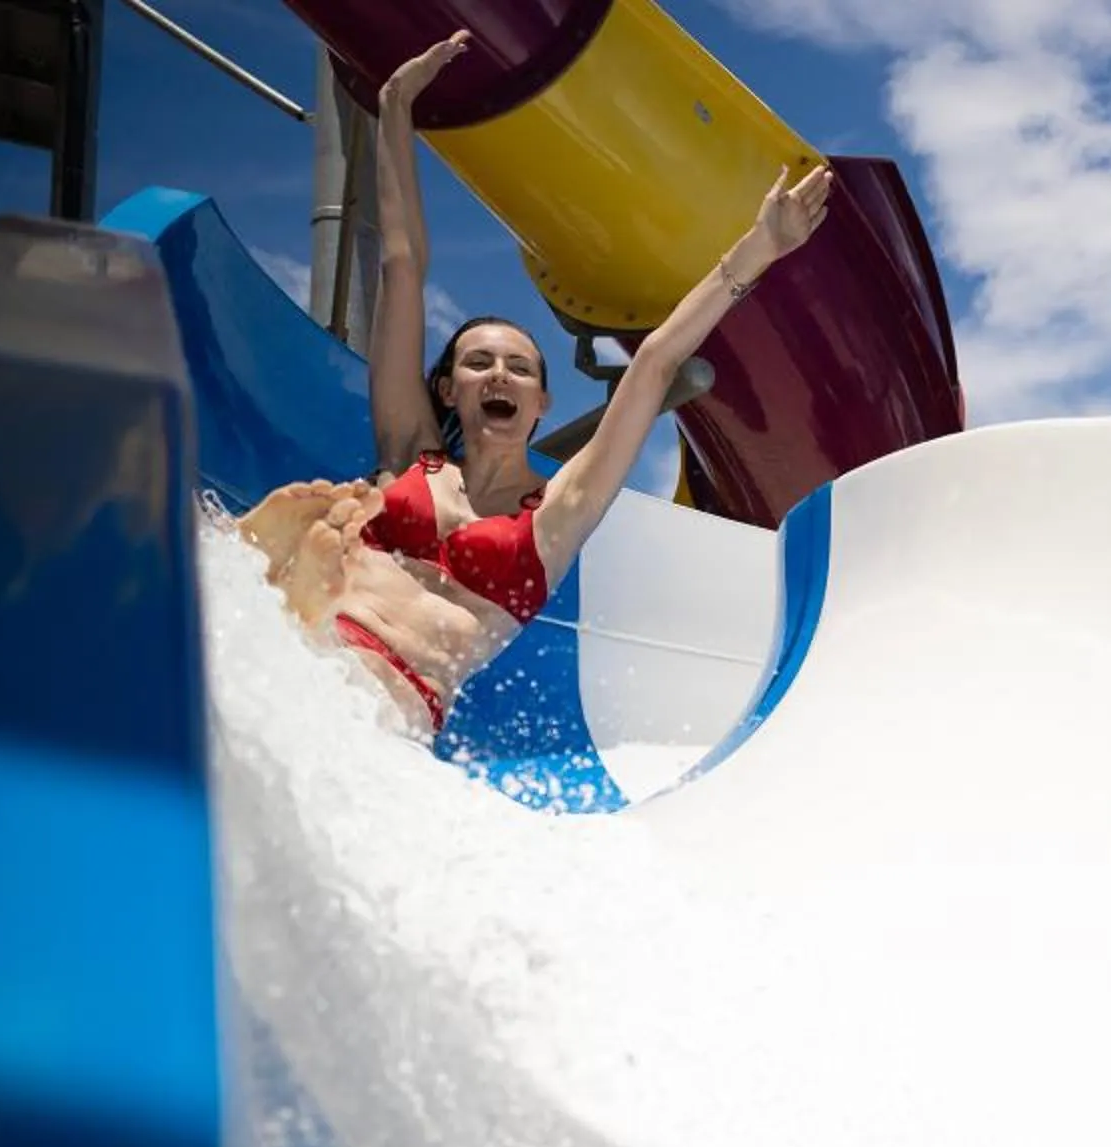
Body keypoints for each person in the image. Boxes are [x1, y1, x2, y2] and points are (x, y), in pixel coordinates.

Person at [236, 31, 834, 737]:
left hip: (387, 719)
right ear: (449, 391)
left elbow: (654, 363)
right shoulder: (410, 457)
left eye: (519, 368)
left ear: (541, 403)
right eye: (478, 363)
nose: (499, 374)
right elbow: (403, 264)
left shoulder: (558, 514)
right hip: (301, 662)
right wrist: (395, 108)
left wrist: (758, 249)